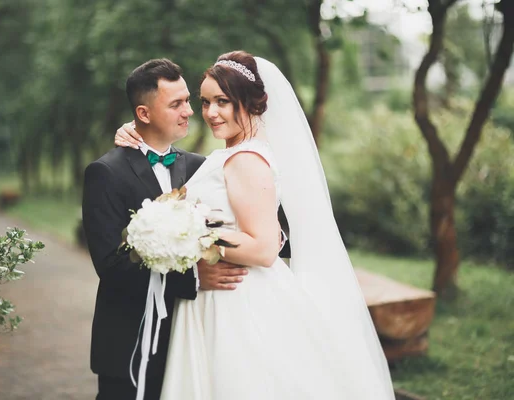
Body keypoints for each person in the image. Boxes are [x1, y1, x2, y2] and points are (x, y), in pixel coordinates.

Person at [114, 51, 395, 399]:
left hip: (238, 302)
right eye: (205, 102)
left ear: (250, 103)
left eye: (223, 102)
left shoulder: (247, 159)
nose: (210, 113)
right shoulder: (228, 154)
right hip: (217, 296)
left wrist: (189, 240)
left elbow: (262, 248)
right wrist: (136, 134)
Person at [82, 59, 252, 400]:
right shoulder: (105, 173)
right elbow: (110, 266)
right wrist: (192, 278)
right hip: (128, 339)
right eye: (176, 104)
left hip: (188, 338)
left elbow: (263, 225)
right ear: (143, 114)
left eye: (189, 101)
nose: (190, 111)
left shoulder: (200, 167)